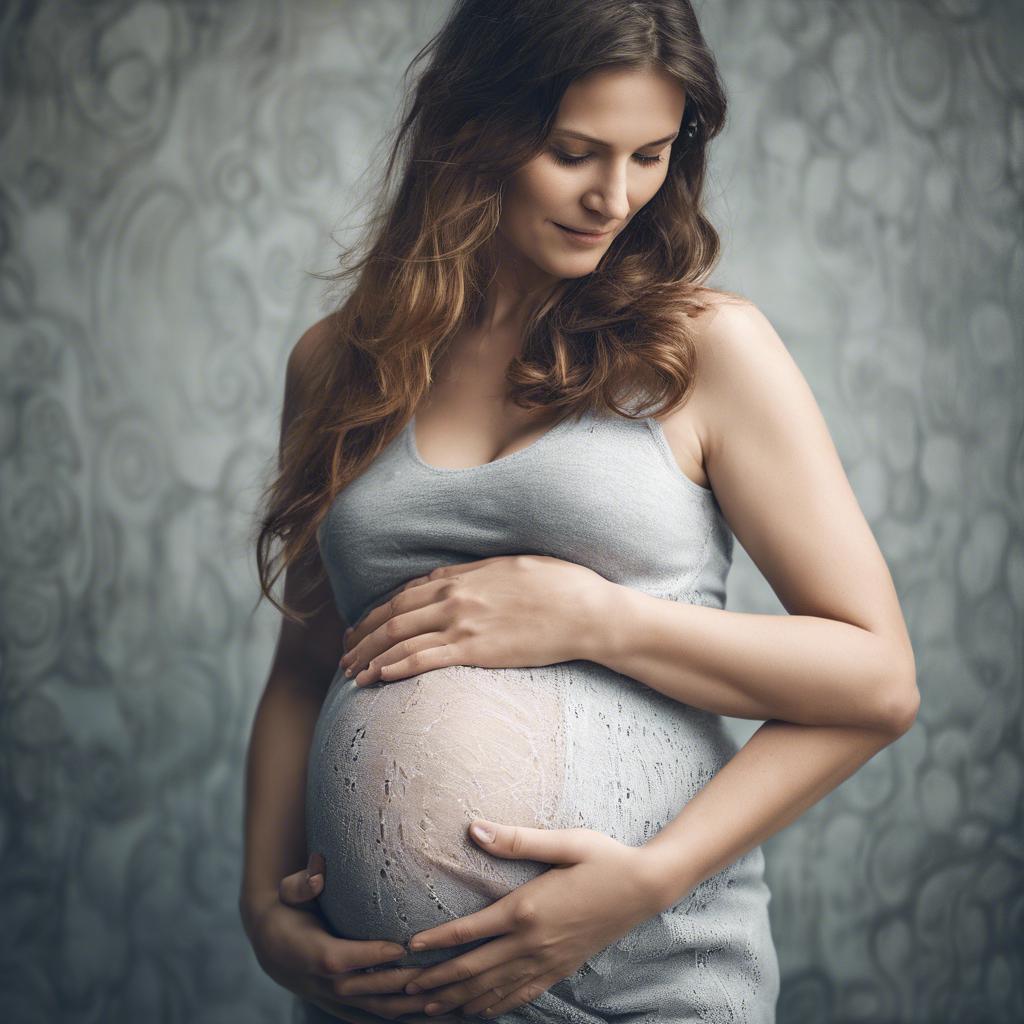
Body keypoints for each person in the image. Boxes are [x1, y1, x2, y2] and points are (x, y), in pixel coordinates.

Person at [238, 1, 920, 1021]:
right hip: (379, 999)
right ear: (474, 127)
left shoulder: (705, 350)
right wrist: (263, 909)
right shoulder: (341, 362)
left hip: (642, 974)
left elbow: (876, 679)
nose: (615, 197)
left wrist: (599, 624)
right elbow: (302, 669)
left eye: (649, 155)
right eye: (574, 153)